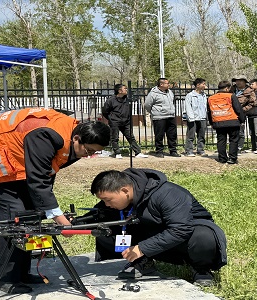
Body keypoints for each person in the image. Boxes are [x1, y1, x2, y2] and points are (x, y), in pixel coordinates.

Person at [0, 107, 110, 295]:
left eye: (94, 153)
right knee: (10, 215)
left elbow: (46, 172)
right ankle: (5, 278)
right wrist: (59, 219)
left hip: (11, 155)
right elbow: (38, 181)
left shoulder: (74, 140)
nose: (89, 156)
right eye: (88, 151)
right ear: (77, 139)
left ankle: (21, 273)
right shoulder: (48, 136)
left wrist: (45, 206)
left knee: (30, 211)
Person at [88, 168, 227, 287]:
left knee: (203, 237)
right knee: (106, 225)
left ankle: (202, 269)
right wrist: (72, 223)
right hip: (160, 237)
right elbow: (97, 215)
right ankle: (143, 263)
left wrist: (142, 248)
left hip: (188, 237)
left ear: (124, 190)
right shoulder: (126, 195)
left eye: (107, 200)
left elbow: (181, 229)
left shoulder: (167, 193)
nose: (106, 204)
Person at [102, 84, 148, 159]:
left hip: (126, 122)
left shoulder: (127, 99)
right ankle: (117, 153)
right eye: (125, 88)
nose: (126, 90)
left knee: (130, 137)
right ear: (119, 91)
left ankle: (137, 152)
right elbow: (105, 111)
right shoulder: (111, 100)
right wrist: (111, 119)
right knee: (115, 137)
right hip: (115, 122)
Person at [207, 80, 245, 164]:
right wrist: (242, 120)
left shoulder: (210, 98)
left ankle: (222, 158)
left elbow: (209, 112)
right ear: (227, 88)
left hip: (218, 121)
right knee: (234, 140)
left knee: (221, 140)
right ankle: (232, 158)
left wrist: (211, 122)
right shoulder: (231, 96)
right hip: (232, 121)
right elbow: (238, 109)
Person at [144, 78, 181, 158]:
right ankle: (159, 151)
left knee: (172, 135)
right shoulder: (153, 93)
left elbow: (172, 102)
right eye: (167, 83)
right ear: (161, 84)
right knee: (159, 135)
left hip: (170, 116)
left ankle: (173, 151)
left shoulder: (170, 92)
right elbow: (147, 105)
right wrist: (155, 112)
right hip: (159, 117)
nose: (169, 85)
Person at [230, 75, 256, 153]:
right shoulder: (231, 89)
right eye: (236, 81)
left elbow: (253, 103)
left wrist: (242, 110)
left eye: (240, 80)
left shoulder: (250, 91)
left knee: (240, 131)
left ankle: (239, 148)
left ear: (245, 82)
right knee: (231, 131)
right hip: (230, 113)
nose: (238, 82)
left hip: (241, 114)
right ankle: (232, 147)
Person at [183, 78, 208, 157]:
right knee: (191, 135)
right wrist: (190, 117)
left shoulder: (204, 95)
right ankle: (189, 150)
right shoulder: (190, 95)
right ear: (198, 85)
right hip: (193, 118)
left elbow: (205, 106)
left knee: (201, 135)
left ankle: (200, 150)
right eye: (203, 84)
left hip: (202, 117)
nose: (205, 86)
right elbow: (187, 107)